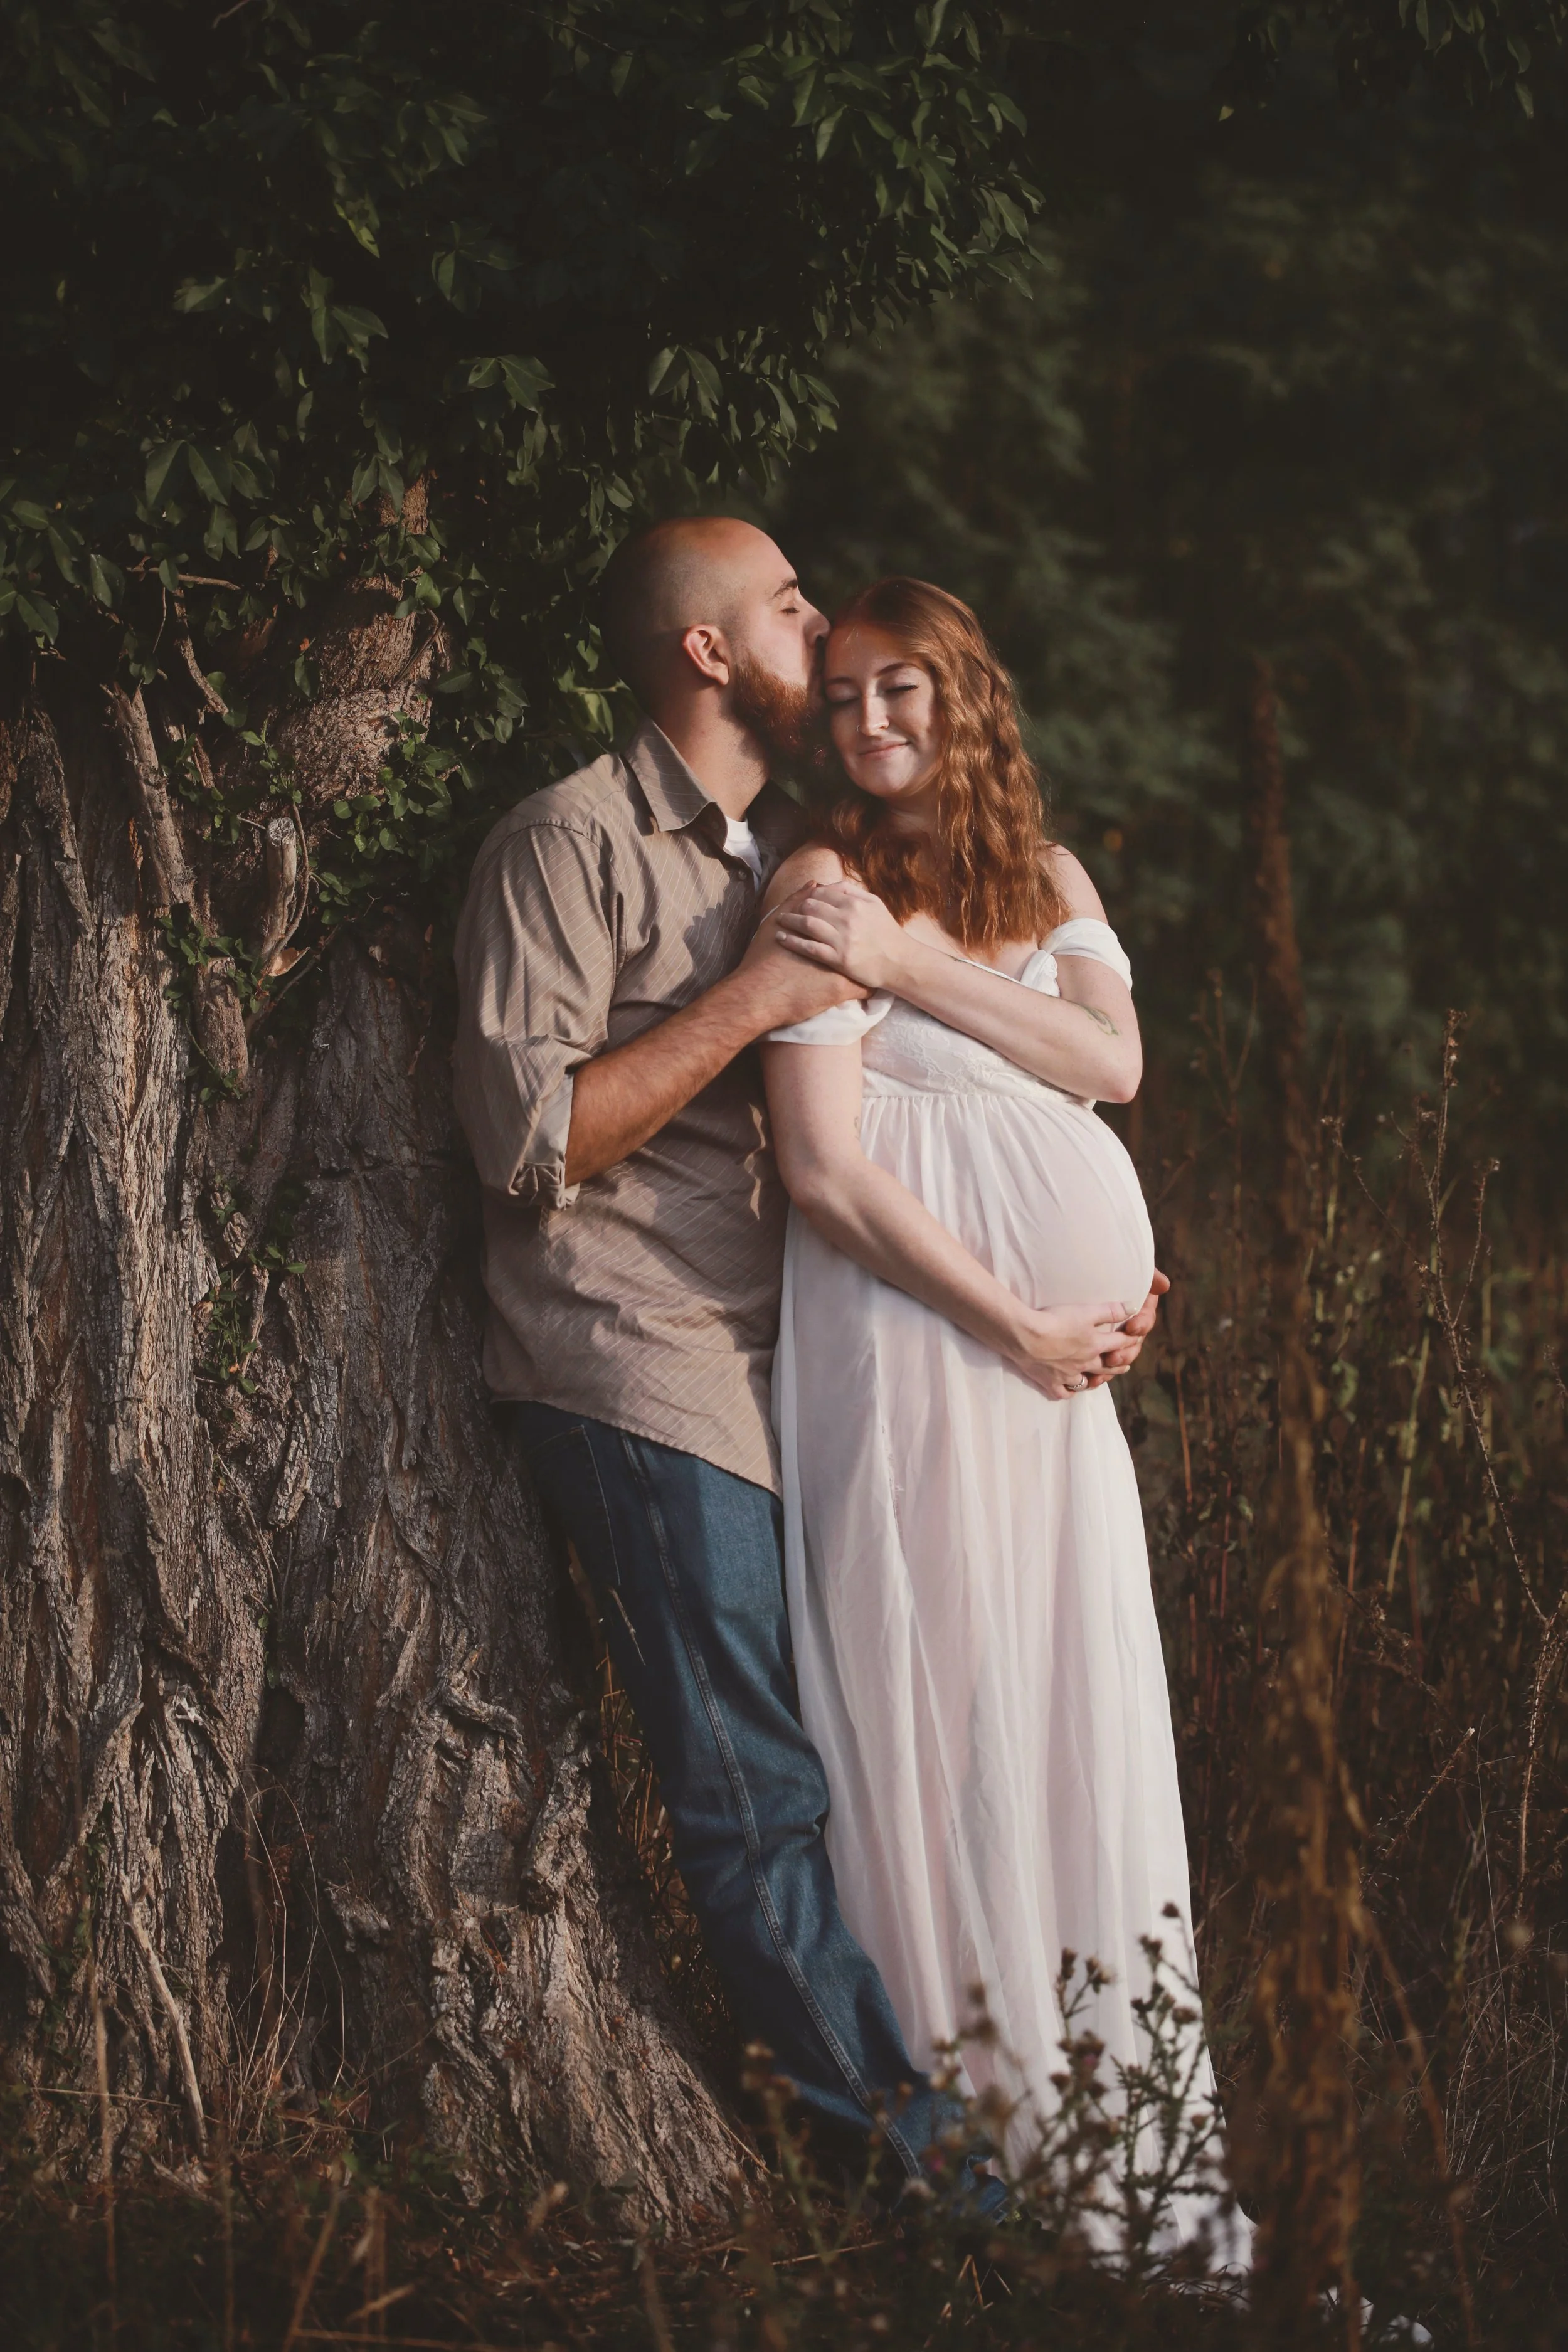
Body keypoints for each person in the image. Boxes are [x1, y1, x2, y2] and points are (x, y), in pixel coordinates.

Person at [450, 519, 1163, 2200]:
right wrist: (756, 994)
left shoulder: (794, 840)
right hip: (644, 1360)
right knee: (752, 1792)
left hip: (810, 1371)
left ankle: (1005, 2108)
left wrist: (1082, 1246)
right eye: (787, 610)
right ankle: (935, 2191)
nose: (818, 624)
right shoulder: (565, 844)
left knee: (858, 1755)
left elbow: (985, 1090)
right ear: (708, 651)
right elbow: (528, 1140)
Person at [761, 574, 1239, 2250]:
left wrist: (916, 967)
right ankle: (967, 2156)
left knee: (1055, 1703)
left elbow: (1108, 1065)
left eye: (906, 691)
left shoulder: (1044, 880)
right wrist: (1019, 1312)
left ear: (967, 700)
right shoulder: (819, 883)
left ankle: (1108, 2155)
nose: (874, 724)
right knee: (933, 1701)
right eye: (843, 701)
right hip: (913, 1349)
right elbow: (821, 1172)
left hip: (1050, 1390)